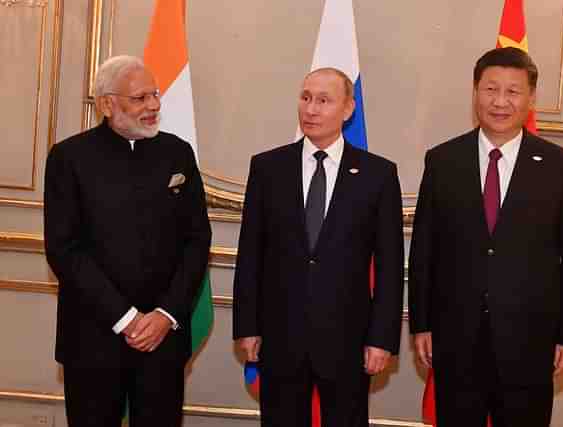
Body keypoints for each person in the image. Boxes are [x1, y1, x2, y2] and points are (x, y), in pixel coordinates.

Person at [408, 47, 563, 427]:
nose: (500, 102)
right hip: (455, 337)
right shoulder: (443, 161)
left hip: (530, 340)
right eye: (491, 89)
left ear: (530, 99)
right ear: (475, 92)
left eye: (513, 92)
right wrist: (421, 324)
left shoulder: (562, 168)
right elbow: (426, 249)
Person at [44, 55, 211, 427]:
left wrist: (165, 315)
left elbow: (197, 240)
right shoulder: (69, 157)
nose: (153, 105)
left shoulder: (177, 153)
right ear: (107, 103)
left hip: (162, 338)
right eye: (140, 98)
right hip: (92, 338)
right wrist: (126, 318)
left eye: (154, 95)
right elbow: (64, 249)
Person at [233, 67, 404, 427]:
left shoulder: (378, 175)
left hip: (348, 342)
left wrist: (382, 339)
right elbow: (251, 254)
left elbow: (389, 266)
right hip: (280, 338)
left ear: (348, 109)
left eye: (324, 100)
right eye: (306, 97)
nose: (311, 109)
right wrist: (247, 326)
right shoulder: (267, 168)